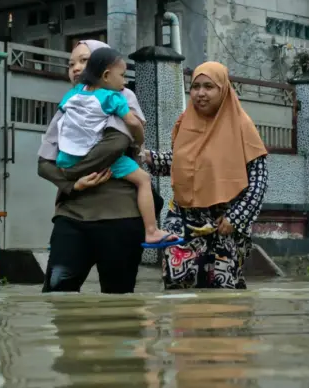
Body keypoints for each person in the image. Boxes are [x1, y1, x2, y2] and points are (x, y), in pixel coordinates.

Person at [37, 39, 150, 294]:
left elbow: (114, 145)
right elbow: (43, 163)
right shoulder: (68, 105)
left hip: (118, 216)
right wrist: (72, 185)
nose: (76, 68)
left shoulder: (121, 96)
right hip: (72, 215)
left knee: (118, 302)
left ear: (106, 67)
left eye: (84, 61)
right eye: (71, 64)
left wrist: (67, 173)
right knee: (57, 294)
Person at [145, 61, 269, 290]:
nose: (200, 93)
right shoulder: (185, 122)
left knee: (222, 296)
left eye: (208, 87)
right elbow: (181, 162)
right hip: (184, 218)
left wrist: (236, 218)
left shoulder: (242, 125)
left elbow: (258, 182)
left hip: (224, 222)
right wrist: (149, 157)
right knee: (177, 285)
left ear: (223, 89)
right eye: (195, 86)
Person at [53, 47, 177, 247]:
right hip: (96, 154)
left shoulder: (74, 93)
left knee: (62, 195)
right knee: (143, 180)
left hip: (66, 157)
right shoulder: (114, 97)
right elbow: (135, 124)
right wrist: (138, 143)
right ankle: (152, 231)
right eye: (122, 75)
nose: (125, 81)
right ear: (106, 76)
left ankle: (57, 233)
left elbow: (63, 111)